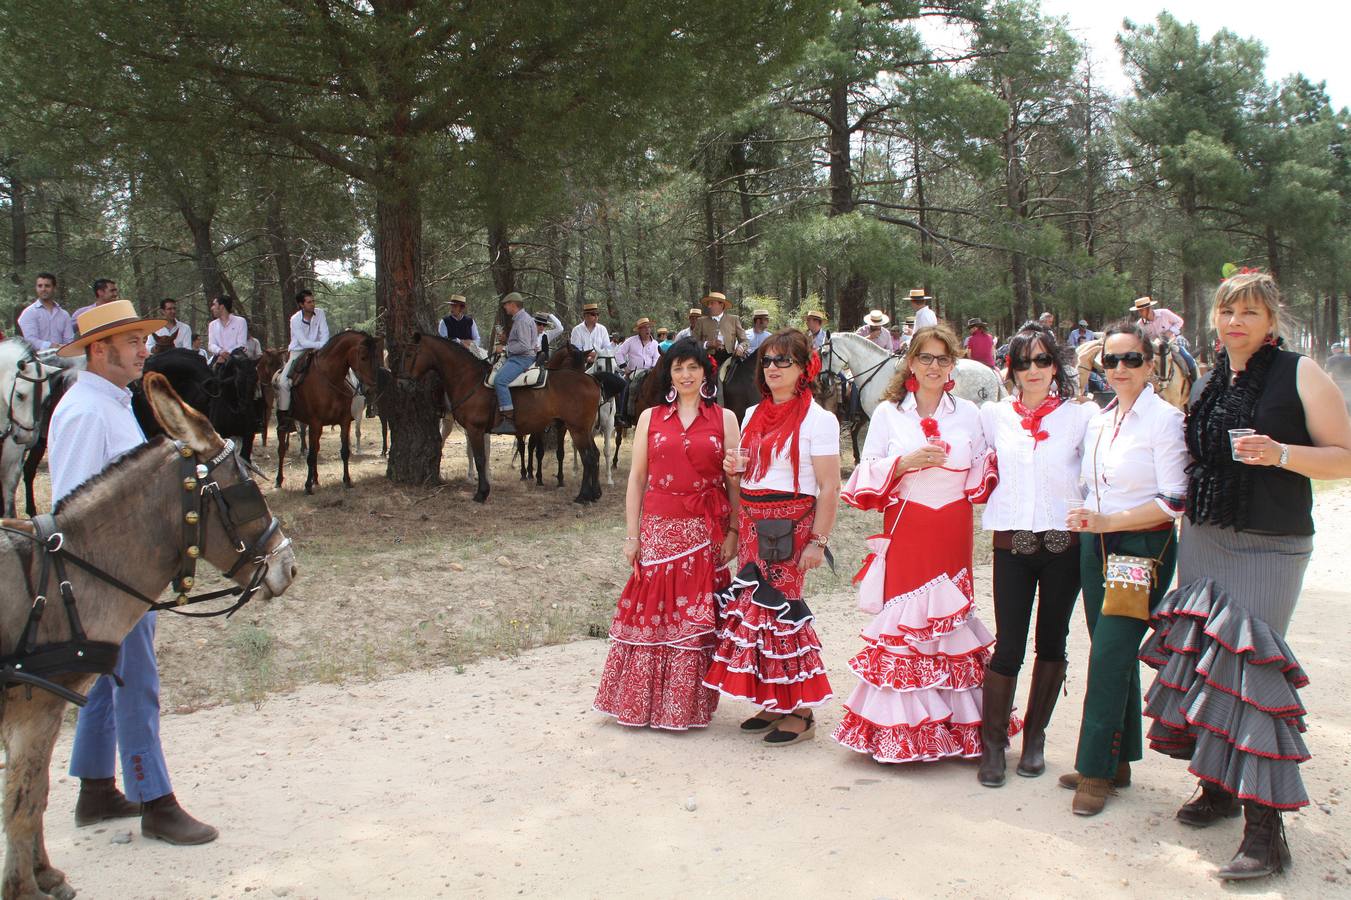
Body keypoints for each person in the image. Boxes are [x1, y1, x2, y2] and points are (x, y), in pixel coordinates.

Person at [1137, 273, 1351, 880]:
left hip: (1269, 545)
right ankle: (1219, 787)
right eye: (1228, 311)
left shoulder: (1300, 372)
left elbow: (1345, 456)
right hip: (1206, 537)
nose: (1236, 322)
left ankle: (1266, 829)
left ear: (1271, 320)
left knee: (1250, 668)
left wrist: (1281, 453)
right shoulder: (1207, 380)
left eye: (1250, 313)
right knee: (1210, 661)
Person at [51, 299, 219, 845]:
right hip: (110, 582)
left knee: (106, 679)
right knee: (136, 682)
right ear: (100, 350)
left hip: (123, 578)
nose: (145, 349)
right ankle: (155, 799)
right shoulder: (85, 412)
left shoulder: (112, 402)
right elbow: (77, 510)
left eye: (143, 340)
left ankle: (96, 788)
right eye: (132, 342)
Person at [833, 325, 1005, 763]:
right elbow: (865, 469)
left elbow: (986, 468)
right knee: (907, 622)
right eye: (925, 358)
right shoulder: (890, 414)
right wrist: (905, 462)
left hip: (952, 527)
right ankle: (901, 731)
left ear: (954, 366)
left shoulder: (969, 412)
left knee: (949, 622)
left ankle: (953, 730)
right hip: (907, 525)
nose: (934, 366)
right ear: (910, 362)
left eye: (943, 359)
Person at [1059, 321, 1188, 816]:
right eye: (1110, 360)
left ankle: (1095, 769)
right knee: (1110, 647)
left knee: (1111, 651)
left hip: (1140, 545)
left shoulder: (1165, 421)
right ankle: (1119, 759)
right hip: (1098, 543)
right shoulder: (1099, 418)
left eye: (1131, 359)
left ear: (1151, 365)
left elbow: (1173, 501)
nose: (1120, 369)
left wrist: (1109, 519)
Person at [593, 338, 741, 729]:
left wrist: (734, 530)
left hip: (705, 528)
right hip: (658, 525)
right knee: (655, 613)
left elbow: (734, 482)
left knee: (693, 620)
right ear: (669, 374)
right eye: (678, 368)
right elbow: (637, 479)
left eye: (693, 367)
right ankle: (642, 704)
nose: (686, 375)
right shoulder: (650, 418)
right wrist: (632, 535)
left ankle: (684, 706)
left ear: (705, 372)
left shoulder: (725, 419)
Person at [704, 329, 838, 744]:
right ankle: (776, 702)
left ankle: (802, 712)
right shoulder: (751, 415)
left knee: (782, 615)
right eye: (768, 361)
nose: (774, 368)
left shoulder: (820, 419)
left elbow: (830, 487)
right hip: (753, 524)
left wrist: (818, 541)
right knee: (756, 615)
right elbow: (750, 472)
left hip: (791, 528)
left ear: (804, 368)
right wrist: (733, 468)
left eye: (784, 361)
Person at [975, 325, 1096, 786]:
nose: (1032, 371)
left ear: (1056, 366)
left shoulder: (1080, 417)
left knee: (1052, 642)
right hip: (1013, 546)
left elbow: (1098, 473)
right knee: (1008, 647)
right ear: (1011, 368)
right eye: (1023, 362)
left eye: (1042, 361)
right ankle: (993, 745)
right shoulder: (993, 415)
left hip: (1064, 547)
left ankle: (1037, 738)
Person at [277, 289, 330, 417]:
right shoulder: (295, 319)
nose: (312, 304)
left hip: (319, 351)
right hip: (298, 351)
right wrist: (321, 344)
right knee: (283, 382)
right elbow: (303, 342)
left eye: (313, 301)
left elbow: (326, 336)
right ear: (301, 305)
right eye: (309, 302)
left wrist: (321, 346)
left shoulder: (320, 313)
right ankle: (285, 416)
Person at [490, 292, 536, 435]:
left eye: (506, 304)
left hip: (521, 358)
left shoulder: (522, 321)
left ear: (513, 304)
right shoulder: (522, 319)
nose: (504, 307)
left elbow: (524, 346)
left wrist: (504, 348)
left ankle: (508, 420)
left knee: (500, 380)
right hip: (519, 357)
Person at [1132, 296, 1198, 383]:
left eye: (1142, 310)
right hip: (1156, 349)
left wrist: (1170, 331)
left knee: (1187, 358)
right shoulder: (1140, 325)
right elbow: (1140, 339)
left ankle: (1195, 383)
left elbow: (1180, 321)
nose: (1140, 313)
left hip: (1172, 342)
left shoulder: (1164, 313)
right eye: (1139, 311)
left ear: (1149, 308)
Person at [18, 271, 75, 351]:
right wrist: (52, 346)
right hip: (37, 360)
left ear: (54, 288)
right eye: (40, 286)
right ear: (36, 288)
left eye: (47, 286)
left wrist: (63, 349)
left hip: (62, 359)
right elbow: (30, 341)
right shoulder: (29, 313)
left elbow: (69, 341)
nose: (43, 289)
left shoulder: (64, 315)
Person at [692, 291, 747, 359]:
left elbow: (745, 341)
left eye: (712, 303)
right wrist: (707, 344)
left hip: (729, 358)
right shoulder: (701, 321)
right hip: (707, 359)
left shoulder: (734, 319)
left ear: (721, 305)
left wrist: (740, 348)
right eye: (708, 304)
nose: (709, 306)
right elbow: (692, 342)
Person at [206, 295, 248, 364]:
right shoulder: (212, 325)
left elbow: (241, 344)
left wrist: (227, 354)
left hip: (237, 359)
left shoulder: (240, 321)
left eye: (214, 305)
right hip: (218, 358)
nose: (212, 308)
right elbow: (211, 345)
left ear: (222, 307)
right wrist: (220, 352)